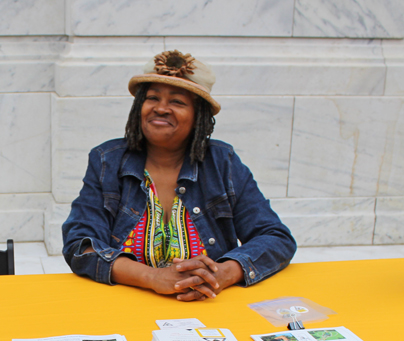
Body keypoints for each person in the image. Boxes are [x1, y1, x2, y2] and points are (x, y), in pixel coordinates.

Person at [62, 50, 296, 302]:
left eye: (177, 102)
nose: (161, 109)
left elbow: (276, 237)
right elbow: (80, 246)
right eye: (152, 98)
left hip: (206, 304)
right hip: (126, 301)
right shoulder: (107, 160)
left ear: (199, 117)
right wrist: (152, 277)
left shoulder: (222, 162)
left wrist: (223, 274)